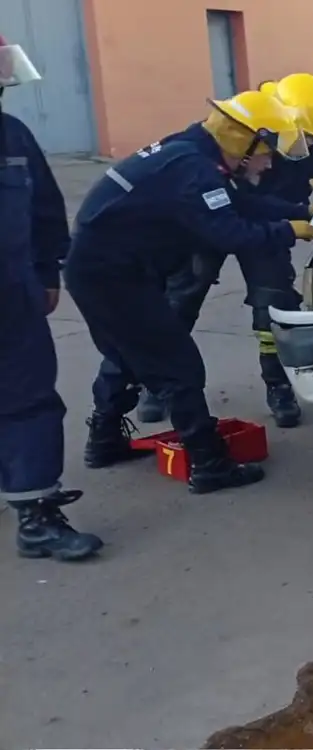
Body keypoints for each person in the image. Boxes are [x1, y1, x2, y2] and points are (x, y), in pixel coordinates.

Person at [66, 89, 313, 494]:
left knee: (128, 355)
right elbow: (227, 231)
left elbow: (240, 203)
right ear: (245, 139)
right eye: (267, 150)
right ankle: (209, 464)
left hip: (108, 268)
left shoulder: (192, 150)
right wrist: (291, 230)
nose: (270, 160)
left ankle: (103, 442)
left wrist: (301, 212)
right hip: (112, 274)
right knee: (178, 364)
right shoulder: (195, 168)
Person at [135, 73, 313, 429]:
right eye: (305, 134)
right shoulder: (240, 133)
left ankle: (278, 385)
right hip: (213, 223)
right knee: (179, 301)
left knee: (274, 304)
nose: (308, 142)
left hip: (271, 228)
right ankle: (158, 385)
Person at [0, 33, 103, 560]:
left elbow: (43, 211)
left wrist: (46, 275)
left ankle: (36, 517)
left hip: (13, 300)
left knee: (29, 404)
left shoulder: (12, 137)